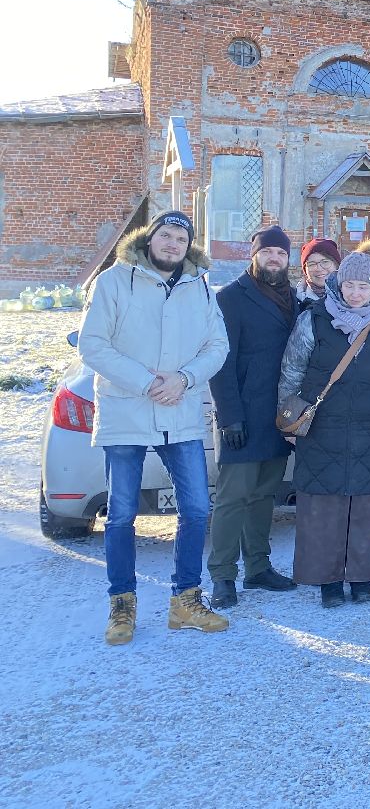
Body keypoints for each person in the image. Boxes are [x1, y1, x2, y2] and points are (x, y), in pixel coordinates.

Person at [80, 210, 231, 645]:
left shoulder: (199, 290)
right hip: (127, 411)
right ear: (150, 239)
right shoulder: (113, 282)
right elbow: (93, 344)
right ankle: (122, 606)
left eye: (180, 240)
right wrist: (146, 382)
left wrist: (183, 379)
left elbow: (216, 345)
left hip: (179, 411)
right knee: (122, 514)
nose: (172, 245)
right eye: (165, 236)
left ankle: (185, 600)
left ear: (189, 248)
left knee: (198, 509)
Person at [279, 240, 370, 607]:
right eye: (350, 285)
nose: (356, 293)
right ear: (338, 285)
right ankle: (327, 579)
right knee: (324, 504)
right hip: (322, 426)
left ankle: (362, 575)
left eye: (363, 286)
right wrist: (290, 422)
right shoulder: (314, 319)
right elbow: (291, 371)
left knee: (366, 505)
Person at [207, 225, 299, 610]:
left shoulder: (294, 298)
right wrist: (229, 416)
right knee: (233, 498)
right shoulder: (231, 298)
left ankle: (258, 567)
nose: (274, 259)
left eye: (280, 253)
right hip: (242, 416)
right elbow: (220, 361)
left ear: (288, 259)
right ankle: (223, 575)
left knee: (264, 495)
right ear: (254, 255)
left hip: (278, 416)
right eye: (267, 253)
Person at [297, 237, 341, 308]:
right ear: (305, 270)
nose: (319, 269)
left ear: (336, 265)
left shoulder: (353, 298)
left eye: (325, 262)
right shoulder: (295, 302)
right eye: (312, 264)